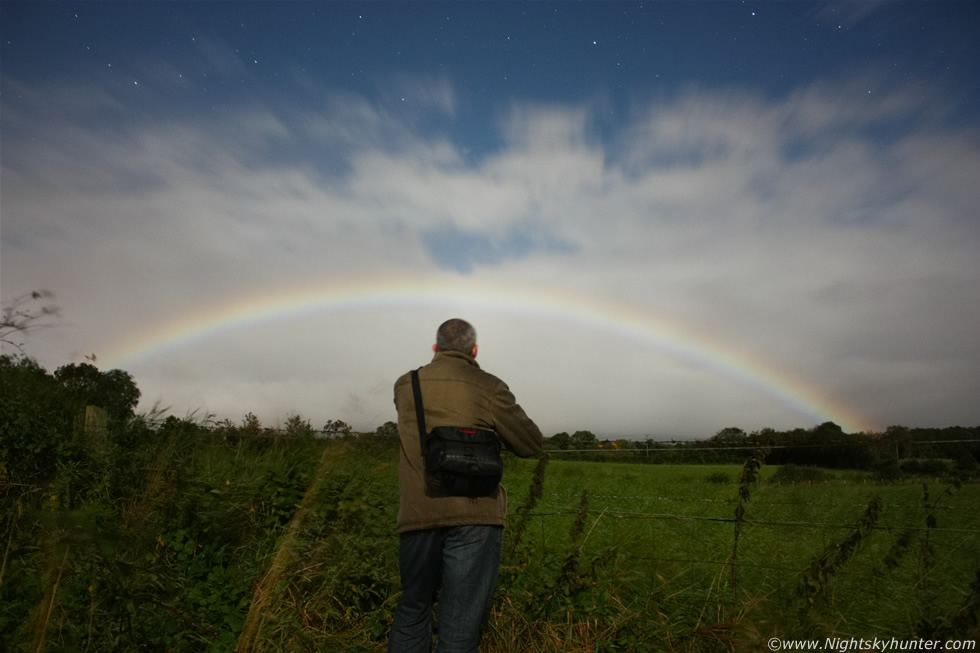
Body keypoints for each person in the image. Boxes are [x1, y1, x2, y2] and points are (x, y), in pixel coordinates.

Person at [388, 318, 544, 653]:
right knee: (459, 626)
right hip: (476, 516)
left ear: (435, 348)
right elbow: (530, 443)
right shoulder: (490, 386)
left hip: (418, 513)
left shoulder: (406, 384)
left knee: (413, 609)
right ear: (474, 350)